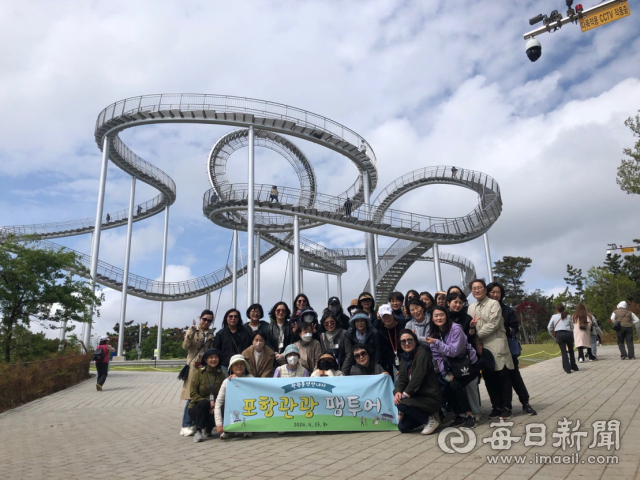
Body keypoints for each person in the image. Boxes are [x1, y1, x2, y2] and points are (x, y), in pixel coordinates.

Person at [487, 282, 537, 416]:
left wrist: (504, 327)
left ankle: (525, 403)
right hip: (490, 349)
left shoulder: (507, 310)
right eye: (492, 292)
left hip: (507, 348)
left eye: (498, 292)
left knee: (514, 376)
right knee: (496, 378)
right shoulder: (484, 309)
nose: (495, 295)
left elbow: (515, 328)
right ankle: (500, 406)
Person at [425, 306, 479, 429]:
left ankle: (469, 415)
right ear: (432, 319)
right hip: (452, 368)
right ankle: (459, 415)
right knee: (446, 384)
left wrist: (436, 342)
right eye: (436, 315)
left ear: (446, 316)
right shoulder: (432, 333)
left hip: (468, 365)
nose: (439, 318)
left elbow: (453, 351)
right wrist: (445, 373)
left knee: (455, 385)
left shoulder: (456, 329)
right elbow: (437, 356)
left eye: (441, 315)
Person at [467, 279, 514, 419]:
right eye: (474, 288)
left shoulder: (494, 304)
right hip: (480, 347)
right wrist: (472, 334)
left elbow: (493, 323)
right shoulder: (471, 307)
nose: (476, 290)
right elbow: (470, 326)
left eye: (479, 287)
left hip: (496, 344)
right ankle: (496, 406)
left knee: (503, 376)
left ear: (485, 289)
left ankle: (506, 407)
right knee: (489, 377)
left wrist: (476, 336)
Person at [394, 329, 442, 435]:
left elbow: (417, 378)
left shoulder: (422, 354)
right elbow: (401, 378)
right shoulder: (404, 359)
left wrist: (403, 395)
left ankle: (430, 420)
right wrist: (398, 391)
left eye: (410, 340)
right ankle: (435, 416)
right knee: (403, 427)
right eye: (403, 341)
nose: (407, 343)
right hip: (416, 399)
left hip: (429, 398)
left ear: (415, 341)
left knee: (401, 404)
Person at [447, 292, 482, 421]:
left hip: (467, 357)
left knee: (471, 384)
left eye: (460, 303)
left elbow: (471, 336)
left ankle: (476, 411)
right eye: (455, 302)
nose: (458, 305)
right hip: (450, 357)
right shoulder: (444, 317)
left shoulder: (467, 318)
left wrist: (472, 328)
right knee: (455, 386)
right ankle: (462, 412)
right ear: (448, 303)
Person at [180, 310, 215, 436]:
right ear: (200, 318)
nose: (206, 322)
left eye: (209, 320)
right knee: (191, 396)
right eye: (204, 319)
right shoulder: (193, 331)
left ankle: (196, 423)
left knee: (202, 396)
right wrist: (190, 332)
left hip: (204, 367)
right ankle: (186, 425)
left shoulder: (211, 334)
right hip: (193, 366)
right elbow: (185, 347)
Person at [188, 348, 224, 442]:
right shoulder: (198, 373)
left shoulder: (221, 375)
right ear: (205, 360)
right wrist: (209, 403)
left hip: (215, 405)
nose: (214, 359)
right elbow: (193, 393)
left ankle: (208, 428)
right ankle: (198, 431)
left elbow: (224, 392)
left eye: (216, 357)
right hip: (198, 406)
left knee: (223, 408)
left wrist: (215, 404)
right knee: (204, 403)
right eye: (211, 357)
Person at [215, 354, 253, 439]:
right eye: (236, 364)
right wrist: (219, 424)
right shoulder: (227, 382)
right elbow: (218, 403)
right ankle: (229, 429)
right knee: (224, 405)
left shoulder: (251, 379)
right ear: (231, 368)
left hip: (248, 409)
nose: (239, 366)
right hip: (233, 411)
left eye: (241, 364)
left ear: (245, 366)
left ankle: (248, 428)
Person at [213, 309, 250, 375]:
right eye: (230, 316)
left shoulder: (245, 333)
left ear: (239, 319)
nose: (233, 318)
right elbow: (216, 351)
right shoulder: (220, 334)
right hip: (225, 366)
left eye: (236, 316)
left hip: (240, 366)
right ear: (226, 318)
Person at [319, 309, 353, 375]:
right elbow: (324, 354)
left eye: (332, 322)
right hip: (330, 371)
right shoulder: (322, 336)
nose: (329, 325)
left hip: (344, 369)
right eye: (326, 323)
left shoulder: (344, 333)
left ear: (336, 322)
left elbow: (349, 354)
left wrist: (343, 372)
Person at [547, 304, 578, 374]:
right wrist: (570, 330)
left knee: (564, 352)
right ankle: (574, 366)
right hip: (568, 333)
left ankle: (567, 368)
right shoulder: (568, 316)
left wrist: (553, 335)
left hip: (559, 334)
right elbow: (572, 326)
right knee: (571, 350)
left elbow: (549, 327)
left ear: (557, 310)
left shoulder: (554, 317)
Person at [377, 303, 407, 376]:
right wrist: (382, 369)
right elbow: (380, 352)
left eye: (388, 315)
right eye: (384, 316)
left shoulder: (404, 325)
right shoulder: (380, 331)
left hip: (405, 357)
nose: (387, 318)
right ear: (381, 318)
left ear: (393, 314)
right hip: (390, 361)